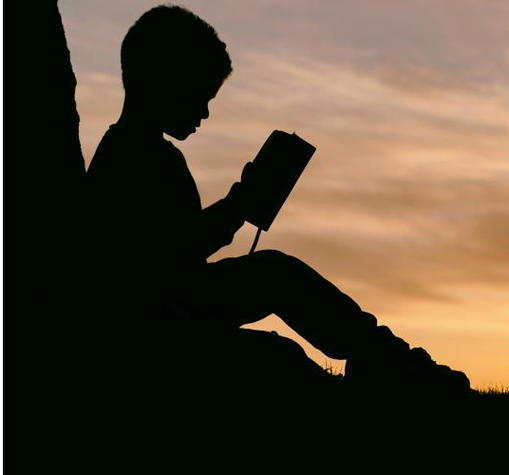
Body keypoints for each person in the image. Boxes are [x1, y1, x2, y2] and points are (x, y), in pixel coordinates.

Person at [85, 4, 469, 395]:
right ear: (165, 80)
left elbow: (181, 247)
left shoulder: (150, 153)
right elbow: (167, 259)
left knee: (275, 274)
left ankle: (388, 360)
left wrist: (240, 203)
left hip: (176, 309)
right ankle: (392, 370)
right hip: (155, 331)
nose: (203, 113)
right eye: (199, 95)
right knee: (279, 352)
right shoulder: (128, 157)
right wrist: (239, 204)